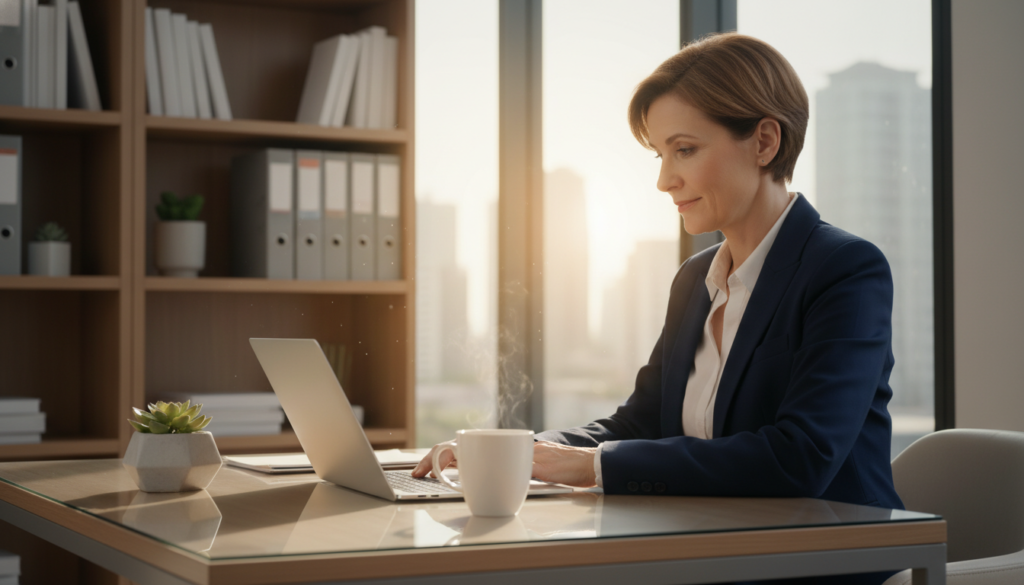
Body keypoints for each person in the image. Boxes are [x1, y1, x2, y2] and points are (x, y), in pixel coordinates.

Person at [414, 32, 904, 584]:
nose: (664, 179)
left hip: (821, 561)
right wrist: (522, 449)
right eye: (660, 154)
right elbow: (639, 422)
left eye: (685, 150)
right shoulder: (695, 278)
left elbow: (801, 457)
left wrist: (587, 467)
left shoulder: (845, 269)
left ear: (764, 142)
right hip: (708, 546)